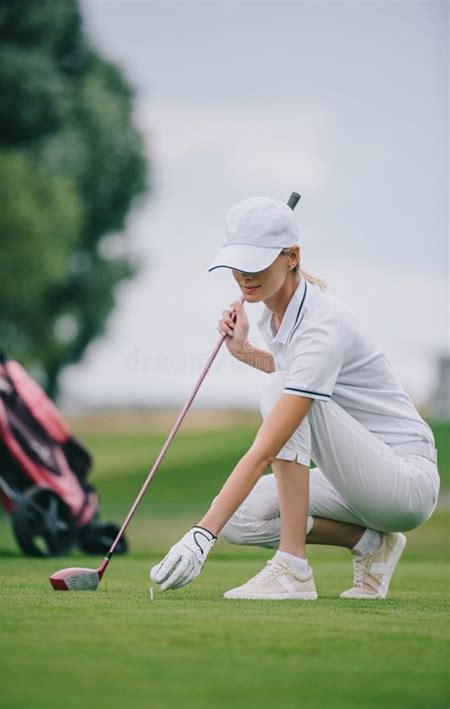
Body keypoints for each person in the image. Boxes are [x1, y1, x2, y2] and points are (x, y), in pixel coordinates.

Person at [150, 195, 440, 600]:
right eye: (238, 266)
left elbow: (268, 445)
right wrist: (244, 351)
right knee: (239, 519)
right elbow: (299, 374)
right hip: (355, 478)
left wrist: (201, 534)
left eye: (256, 265)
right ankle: (373, 545)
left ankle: (292, 567)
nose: (244, 277)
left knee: (278, 395)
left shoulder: (322, 324)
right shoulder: (273, 314)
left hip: (403, 483)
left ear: (292, 257)